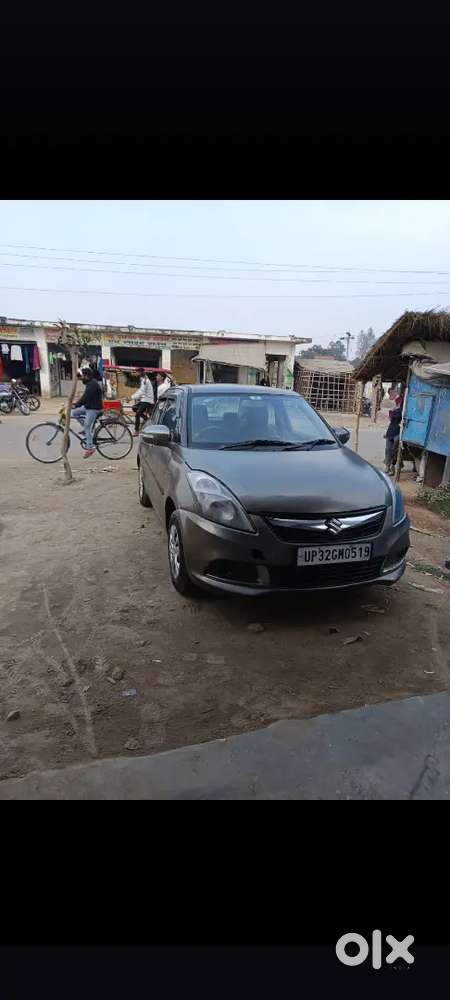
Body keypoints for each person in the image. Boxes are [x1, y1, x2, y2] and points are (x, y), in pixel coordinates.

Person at [72, 368, 103, 458]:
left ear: (87, 376)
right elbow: (84, 397)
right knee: (75, 413)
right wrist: (76, 405)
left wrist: (76, 404)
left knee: (87, 426)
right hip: (88, 407)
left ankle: (90, 448)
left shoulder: (92, 385)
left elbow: (85, 397)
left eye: (83, 376)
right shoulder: (90, 383)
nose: (82, 378)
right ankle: (86, 430)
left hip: (94, 409)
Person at [131, 368, 155, 436]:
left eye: (137, 372)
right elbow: (140, 391)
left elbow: (141, 392)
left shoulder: (145, 380)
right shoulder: (143, 380)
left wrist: (131, 397)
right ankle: (147, 419)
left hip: (148, 400)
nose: (136, 374)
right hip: (144, 400)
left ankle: (136, 431)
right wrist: (132, 396)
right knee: (134, 408)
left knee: (138, 413)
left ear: (140, 373)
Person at [384, 401, 402, 475]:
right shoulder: (393, 410)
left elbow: (397, 418)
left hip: (398, 431)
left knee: (394, 450)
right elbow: (391, 418)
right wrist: (393, 410)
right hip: (391, 431)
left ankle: (392, 466)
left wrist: (393, 411)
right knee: (388, 449)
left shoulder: (402, 411)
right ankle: (387, 466)